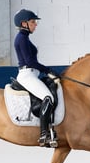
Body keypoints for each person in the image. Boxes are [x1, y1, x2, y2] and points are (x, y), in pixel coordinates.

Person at [13, 9, 59, 147]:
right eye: (33, 22)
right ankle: (43, 134)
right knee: (48, 98)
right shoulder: (21, 38)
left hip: (32, 74)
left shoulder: (25, 37)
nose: (35, 24)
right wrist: (48, 70)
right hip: (27, 75)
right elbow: (30, 61)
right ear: (24, 23)